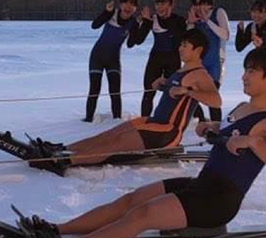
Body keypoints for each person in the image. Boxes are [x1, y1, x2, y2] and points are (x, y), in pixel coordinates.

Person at [24, 46, 266, 238]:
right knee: (130, 201)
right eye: (245, 69)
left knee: (142, 215)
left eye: (252, 70)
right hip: (202, 185)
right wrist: (211, 129)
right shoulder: (243, 108)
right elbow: (229, 131)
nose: (244, 75)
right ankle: (59, 229)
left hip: (218, 201)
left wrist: (252, 142)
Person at [30, 29, 219, 172]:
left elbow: (215, 100)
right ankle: (62, 149)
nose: (180, 49)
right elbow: (173, 93)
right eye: (181, 44)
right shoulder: (181, 71)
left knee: (115, 143)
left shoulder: (200, 75)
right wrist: (162, 83)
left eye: (185, 45)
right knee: (107, 135)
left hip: (167, 131)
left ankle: (62, 162)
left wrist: (188, 91)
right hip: (153, 122)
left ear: (198, 50)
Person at [84, 0, 152, 122]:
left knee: (115, 91)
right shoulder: (111, 14)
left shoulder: (133, 22)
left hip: (113, 59)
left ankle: (116, 119)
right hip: (97, 57)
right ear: (120, 5)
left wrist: (144, 24)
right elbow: (94, 25)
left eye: (132, 4)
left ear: (135, 9)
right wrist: (106, 12)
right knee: (94, 89)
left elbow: (132, 43)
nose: (128, 7)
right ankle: (88, 120)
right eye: (126, 3)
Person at [127, 0, 188, 117]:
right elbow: (135, 41)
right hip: (156, 59)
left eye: (163, 4)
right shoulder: (152, 20)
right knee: (149, 91)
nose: (160, 7)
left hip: (173, 59)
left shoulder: (179, 20)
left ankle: (178, 118)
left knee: (174, 91)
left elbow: (179, 40)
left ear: (171, 5)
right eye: (157, 4)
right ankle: (144, 120)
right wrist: (143, 23)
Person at [187, 0, 230, 121]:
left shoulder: (218, 13)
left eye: (203, 5)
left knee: (212, 96)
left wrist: (208, 22)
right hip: (198, 63)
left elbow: (225, 35)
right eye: (196, 5)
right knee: (190, 94)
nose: (200, 8)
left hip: (215, 62)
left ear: (210, 4)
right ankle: (200, 120)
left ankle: (216, 125)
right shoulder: (195, 17)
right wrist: (190, 23)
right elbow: (188, 40)